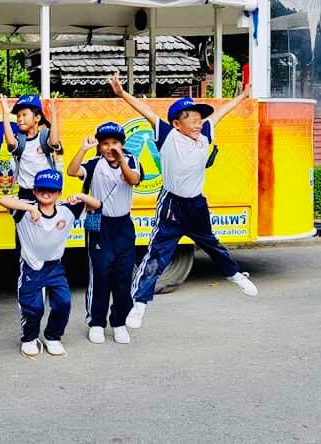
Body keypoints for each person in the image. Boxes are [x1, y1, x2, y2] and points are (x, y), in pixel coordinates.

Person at [107, 73, 258, 331]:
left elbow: (222, 113)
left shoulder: (205, 134)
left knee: (213, 245)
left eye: (200, 119)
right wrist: (122, 93)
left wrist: (243, 96)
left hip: (197, 205)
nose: (198, 123)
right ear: (177, 124)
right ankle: (139, 303)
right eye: (192, 119)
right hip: (172, 206)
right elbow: (145, 111)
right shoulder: (168, 135)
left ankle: (235, 275)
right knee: (157, 255)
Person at [0, 169, 100, 358]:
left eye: (52, 190)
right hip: (31, 267)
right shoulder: (24, 209)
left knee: (63, 303)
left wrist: (80, 196)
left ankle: (52, 336)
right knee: (34, 308)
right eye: (42, 189)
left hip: (54, 267)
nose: (46, 193)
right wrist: (31, 209)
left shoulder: (67, 209)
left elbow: (96, 204)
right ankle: (29, 338)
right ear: (34, 191)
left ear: (59, 193)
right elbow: (3, 200)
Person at [66, 122, 141, 345]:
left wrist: (122, 161)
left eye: (115, 143)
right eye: (105, 144)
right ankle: (96, 323)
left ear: (122, 144)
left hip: (123, 225)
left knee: (123, 276)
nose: (110, 148)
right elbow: (72, 171)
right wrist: (83, 149)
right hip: (98, 222)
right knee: (99, 274)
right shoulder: (94, 164)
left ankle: (119, 322)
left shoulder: (131, 161)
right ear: (99, 146)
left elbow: (133, 179)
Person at [0, 94, 63, 199]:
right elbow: (11, 143)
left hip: (46, 191)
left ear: (37, 118)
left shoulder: (44, 136)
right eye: (18, 116)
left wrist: (54, 115)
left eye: (24, 115)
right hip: (25, 193)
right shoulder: (19, 139)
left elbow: (54, 142)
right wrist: (5, 115)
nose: (20, 119)